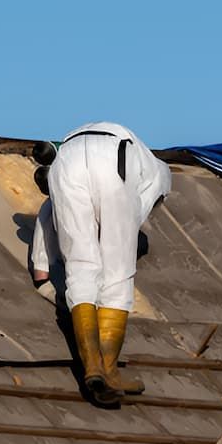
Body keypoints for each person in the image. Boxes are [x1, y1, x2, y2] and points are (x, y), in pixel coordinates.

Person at [29, 123, 171, 406]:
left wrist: (41, 268)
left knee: (80, 267)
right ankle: (108, 369)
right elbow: (123, 231)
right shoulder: (161, 178)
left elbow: (49, 209)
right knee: (118, 272)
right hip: (114, 157)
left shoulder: (70, 158)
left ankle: (91, 366)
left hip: (66, 158)